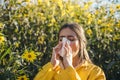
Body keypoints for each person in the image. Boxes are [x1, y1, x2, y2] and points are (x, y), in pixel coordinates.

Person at [34, 23, 106, 80]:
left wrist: (69, 67)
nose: (65, 44)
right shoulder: (52, 68)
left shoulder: (95, 72)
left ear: (81, 44)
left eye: (71, 39)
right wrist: (52, 64)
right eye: (61, 40)